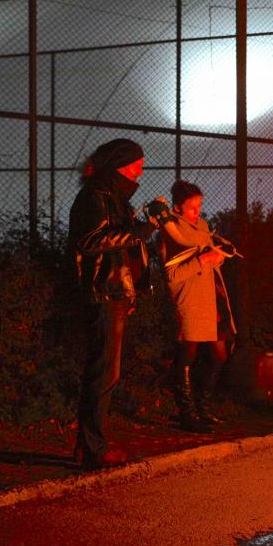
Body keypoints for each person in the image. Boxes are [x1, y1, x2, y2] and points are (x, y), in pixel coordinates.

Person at [68, 138, 161, 470]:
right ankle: (94, 447)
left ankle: (90, 446)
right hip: (104, 295)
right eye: (137, 163)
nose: (141, 169)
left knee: (106, 371)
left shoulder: (114, 197)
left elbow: (121, 249)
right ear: (121, 165)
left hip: (116, 294)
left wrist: (131, 291)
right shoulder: (95, 197)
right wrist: (139, 232)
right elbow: (90, 240)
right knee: (104, 372)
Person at [157, 180, 237, 432]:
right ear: (178, 208)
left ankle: (203, 408)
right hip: (189, 299)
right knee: (187, 354)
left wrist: (218, 257)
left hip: (211, 297)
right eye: (192, 208)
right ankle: (186, 413)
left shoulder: (201, 227)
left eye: (199, 206)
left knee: (220, 354)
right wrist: (203, 259)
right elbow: (171, 275)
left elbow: (209, 260)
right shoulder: (171, 231)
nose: (197, 212)